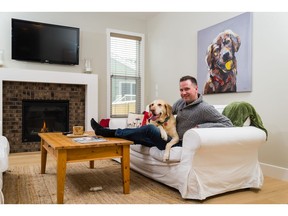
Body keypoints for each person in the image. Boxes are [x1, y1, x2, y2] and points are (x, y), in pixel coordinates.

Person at [91, 75, 233, 150]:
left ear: (196, 89)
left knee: (148, 129)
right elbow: (166, 114)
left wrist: (201, 128)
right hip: (168, 138)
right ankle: (105, 134)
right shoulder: (181, 103)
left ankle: (106, 131)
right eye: (181, 89)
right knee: (137, 137)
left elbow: (228, 124)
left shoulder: (204, 108)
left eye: (187, 89)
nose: (183, 93)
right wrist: (154, 115)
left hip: (179, 143)